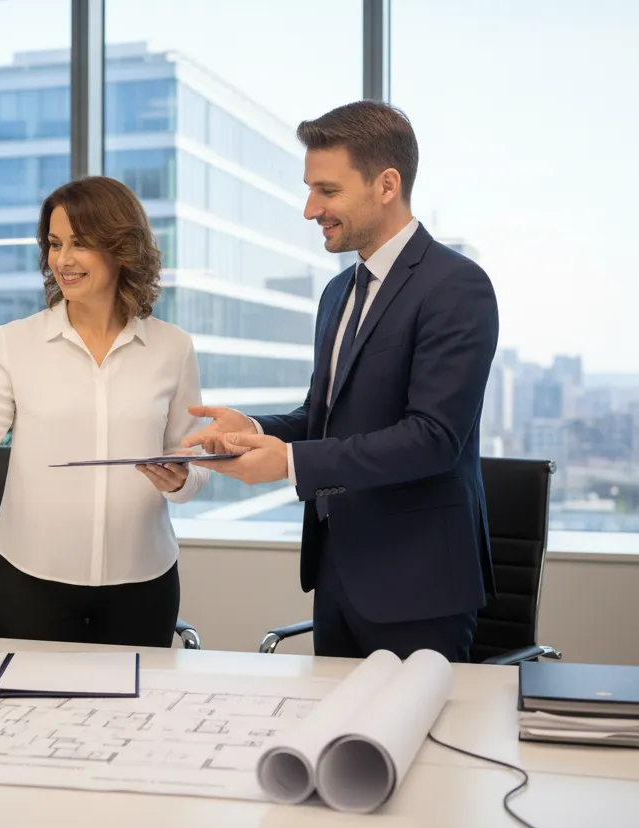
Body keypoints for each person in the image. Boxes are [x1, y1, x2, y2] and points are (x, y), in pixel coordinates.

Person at [183, 101, 499, 663]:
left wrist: (288, 463)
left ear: (387, 184)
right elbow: (323, 415)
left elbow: (432, 438)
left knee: (417, 749)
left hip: (419, 585)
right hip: (338, 576)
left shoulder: (457, 287)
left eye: (326, 191)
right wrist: (252, 428)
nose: (310, 209)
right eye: (310, 190)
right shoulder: (339, 293)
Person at [0, 176, 209, 649]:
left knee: (128, 720)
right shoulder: (15, 343)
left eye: (80, 243)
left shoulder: (172, 348)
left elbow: (194, 465)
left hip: (143, 581)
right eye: (54, 243)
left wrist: (182, 479)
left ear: (121, 247)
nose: (63, 259)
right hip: (35, 584)